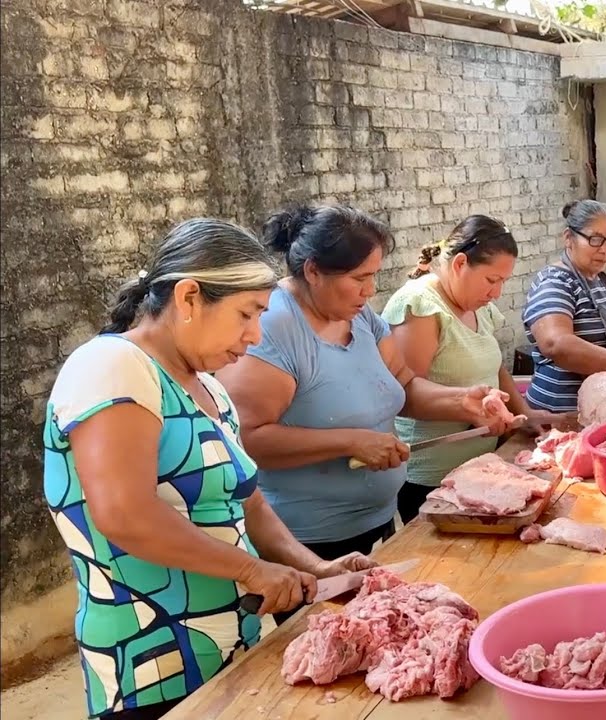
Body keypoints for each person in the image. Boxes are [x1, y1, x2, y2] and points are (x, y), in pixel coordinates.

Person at [44, 219, 378, 720]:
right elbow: (124, 514)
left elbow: (249, 502)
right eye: (247, 313)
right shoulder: (112, 365)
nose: (255, 335)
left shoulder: (209, 387)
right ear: (189, 297)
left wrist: (314, 566)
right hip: (154, 659)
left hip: (237, 641)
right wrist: (251, 569)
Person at [217, 206, 510, 599]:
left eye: (372, 275)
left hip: (378, 524)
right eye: (360, 278)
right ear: (314, 271)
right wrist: (350, 442)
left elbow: (403, 384)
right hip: (308, 546)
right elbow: (248, 440)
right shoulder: (273, 329)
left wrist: (462, 401)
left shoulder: (360, 318)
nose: (370, 290)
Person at [382, 215, 567, 523]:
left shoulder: (477, 306)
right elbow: (403, 392)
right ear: (460, 264)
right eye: (491, 280)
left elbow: (494, 369)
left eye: (503, 282)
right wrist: (469, 409)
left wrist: (524, 414)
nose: (496, 293)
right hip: (433, 475)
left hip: (482, 464)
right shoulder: (420, 304)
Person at [522, 199, 606, 413]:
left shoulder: (600, 282)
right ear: (569, 238)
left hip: (603, 411)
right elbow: (555, 343)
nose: (605, 249)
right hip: (560, 418)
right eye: (595, 239)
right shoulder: (556, 281)